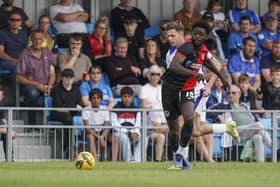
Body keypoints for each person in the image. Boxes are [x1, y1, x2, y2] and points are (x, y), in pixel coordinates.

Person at [162, 21, 239, 170]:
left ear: (182, 35)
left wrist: (209, 85)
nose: (169, 39)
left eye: (173, 36)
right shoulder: (171, 53)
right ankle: (226, 128)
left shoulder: (198, 47)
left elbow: (217, 65)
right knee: (194, 131)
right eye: (167, 36)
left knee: (184, 124)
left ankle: (183, 159)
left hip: (196, 91)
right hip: (176, 90)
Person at [207, 84, 272, 162]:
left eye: (233, 93)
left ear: (239, 94)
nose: (231, 95)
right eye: (228, 93)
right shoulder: (223, 106)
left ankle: (261, 163)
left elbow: (254, 118)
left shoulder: (245, 106)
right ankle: (273, 147)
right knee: (258, 125)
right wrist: (218, 116)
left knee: (258, 137)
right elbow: (208, 111)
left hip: (250, 130)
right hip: (237, 131)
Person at [16, 30, 56, 125]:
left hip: (46, 84)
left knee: (59, 92)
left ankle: (52, 125)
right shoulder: (25, 54)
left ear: (44, 40)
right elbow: (18, 78)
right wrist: (37, 84)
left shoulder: (48, 52)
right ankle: (32, 124)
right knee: (33, 93)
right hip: (30, 85)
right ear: (31, 40)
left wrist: (49, 86)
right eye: (35, 39)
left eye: (40, 39)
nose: (37, 41)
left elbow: (52, 73)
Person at [50, 68, 82, 156]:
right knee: (68, 119)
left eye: (71, 78)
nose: (69, 80)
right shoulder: (56, 89)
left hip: (72, 113)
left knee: (81, 117)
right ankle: (68, 147)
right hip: (58, 113)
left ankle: (78, 142)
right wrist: (73, 107)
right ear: (62, 78)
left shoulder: (76, 89)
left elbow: (79, 105)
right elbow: (58, 107)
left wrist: (70, 108)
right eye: (66, 77)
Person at [140, 65, 167, 162]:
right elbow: (144, 106)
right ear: (148, 76)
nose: (155, 76)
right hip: (149, 125)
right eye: (152, 74)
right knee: (161, 136)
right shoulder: (144, 88)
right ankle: (158, 161)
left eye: (158, 74)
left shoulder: (163, 88)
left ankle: (181, 160)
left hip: (163, 122)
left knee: (179, 132)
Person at [0, 10, 28, 98]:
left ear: (21, 22)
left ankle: (31, 92)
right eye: (12, 20)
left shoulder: (24, 35)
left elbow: (26, 52)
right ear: (9, 21)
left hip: (21, 61)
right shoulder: (2, 33)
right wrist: (16, 61)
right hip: (5, 62)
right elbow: (1, 54)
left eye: (17, 20)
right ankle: (15, 96)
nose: (15, 22)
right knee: (15, 66)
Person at [111, 86, 141, 162]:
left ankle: (136, 161)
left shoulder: (136, 109)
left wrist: (136, 133)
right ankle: (128, 160)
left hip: (133, 132)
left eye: (129, 97)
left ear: (132, 98)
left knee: (144, 138)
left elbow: (138, 124)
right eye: (125, 96)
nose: (127, 99)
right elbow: (115, 125)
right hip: (119, 132)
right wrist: (128, 133)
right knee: (124, 137)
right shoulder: (115, 108)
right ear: (121, 97)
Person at [82, 88, 110, 160]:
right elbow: (87, 129)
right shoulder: (85, 110)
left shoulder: (105, 109)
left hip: (101, 132)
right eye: (93, 98)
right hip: (90, 132)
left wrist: (102, 136)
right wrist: (99, 137)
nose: (96, 100)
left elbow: (106, 127)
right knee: (91, 137)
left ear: (101, 99)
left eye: (98, 98)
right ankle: (94, 160)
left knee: (107, 141)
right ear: (90, 99)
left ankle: (102, 158)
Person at [0, 87, 16, 161]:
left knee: (7, 136)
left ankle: (9, 159)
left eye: (0, 96)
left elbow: (3, 120)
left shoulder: (1, 105)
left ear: (2, 97)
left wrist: (8, 130)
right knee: (8, 133)